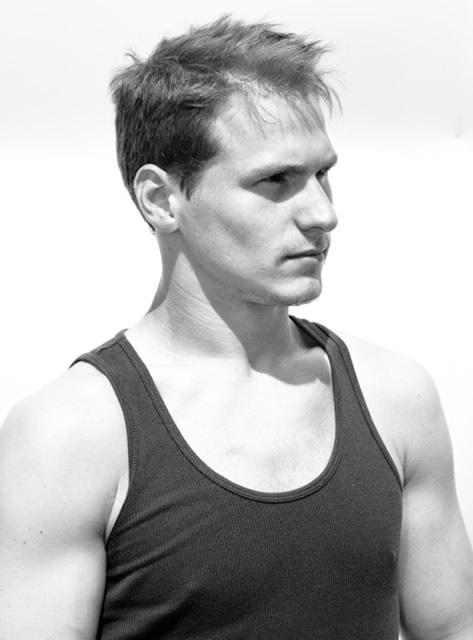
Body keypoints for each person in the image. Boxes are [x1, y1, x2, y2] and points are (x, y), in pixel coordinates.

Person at [0, 15, 472, 640]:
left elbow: (452, 628)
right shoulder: (72, 436)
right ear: (160, 199)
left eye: (322, 174)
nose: (323, 214)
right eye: (276, 180)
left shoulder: (395, 397)